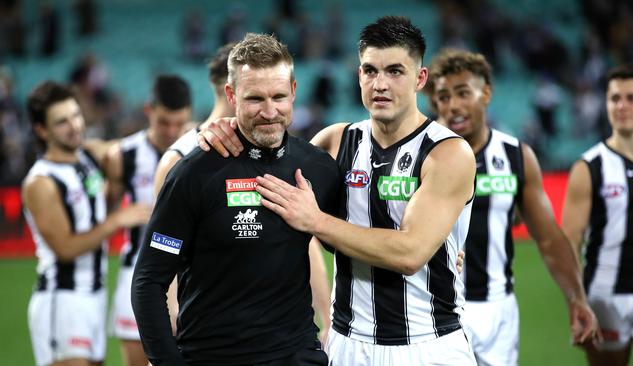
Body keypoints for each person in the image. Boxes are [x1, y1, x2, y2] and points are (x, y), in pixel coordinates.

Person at [200, 16, 478, 365]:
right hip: (348, 345)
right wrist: (227, 130)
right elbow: (266, 175)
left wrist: (316, 221)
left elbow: (410, 253)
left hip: (427, 345)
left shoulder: (448, 152)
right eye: (369, 70)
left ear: (420, 78)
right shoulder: (335, 141)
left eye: (395, 71)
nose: (380, 84)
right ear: (358, 75)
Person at [132, 33, 339, 365]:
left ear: (295, 92)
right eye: (255, 98)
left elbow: (358, 244)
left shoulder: (317, 168)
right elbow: (148, 281)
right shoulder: (194, 173)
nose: (270, 111)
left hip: (296, 356)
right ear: (232, 95)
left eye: (279, 96)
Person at [425, 48, 599, 365]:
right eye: (444, 96)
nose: (453, 106)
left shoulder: (516, 156)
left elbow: (548, 238)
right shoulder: (421, 152)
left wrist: (576, 298)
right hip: (433, 308)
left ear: (487, 93)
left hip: (497, 311)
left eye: (463, 93)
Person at [22, 81, 149, 366]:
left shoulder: (87, 157)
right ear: (42, 130)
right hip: (63, 298)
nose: (75, 126)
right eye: (62, 122)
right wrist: (116, 220)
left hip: (94, 295)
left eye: (76, 116)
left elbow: (125, 150)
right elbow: (65, 247)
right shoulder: (41, 182)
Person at [562, 64, 633, 366]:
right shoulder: (589, 167)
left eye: (632, 98)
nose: (622, 106)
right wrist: (576, 301)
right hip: (603, 296)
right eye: (614, 99)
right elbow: (570, 241)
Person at [104, 75, 192, 366]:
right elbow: (103, 214)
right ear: (148, 111)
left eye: (178, 123)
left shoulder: (199, 150)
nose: (171, 131)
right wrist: (118, 217)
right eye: (163, 122)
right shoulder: (123, 156)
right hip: (137, 272)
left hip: (187, 276)